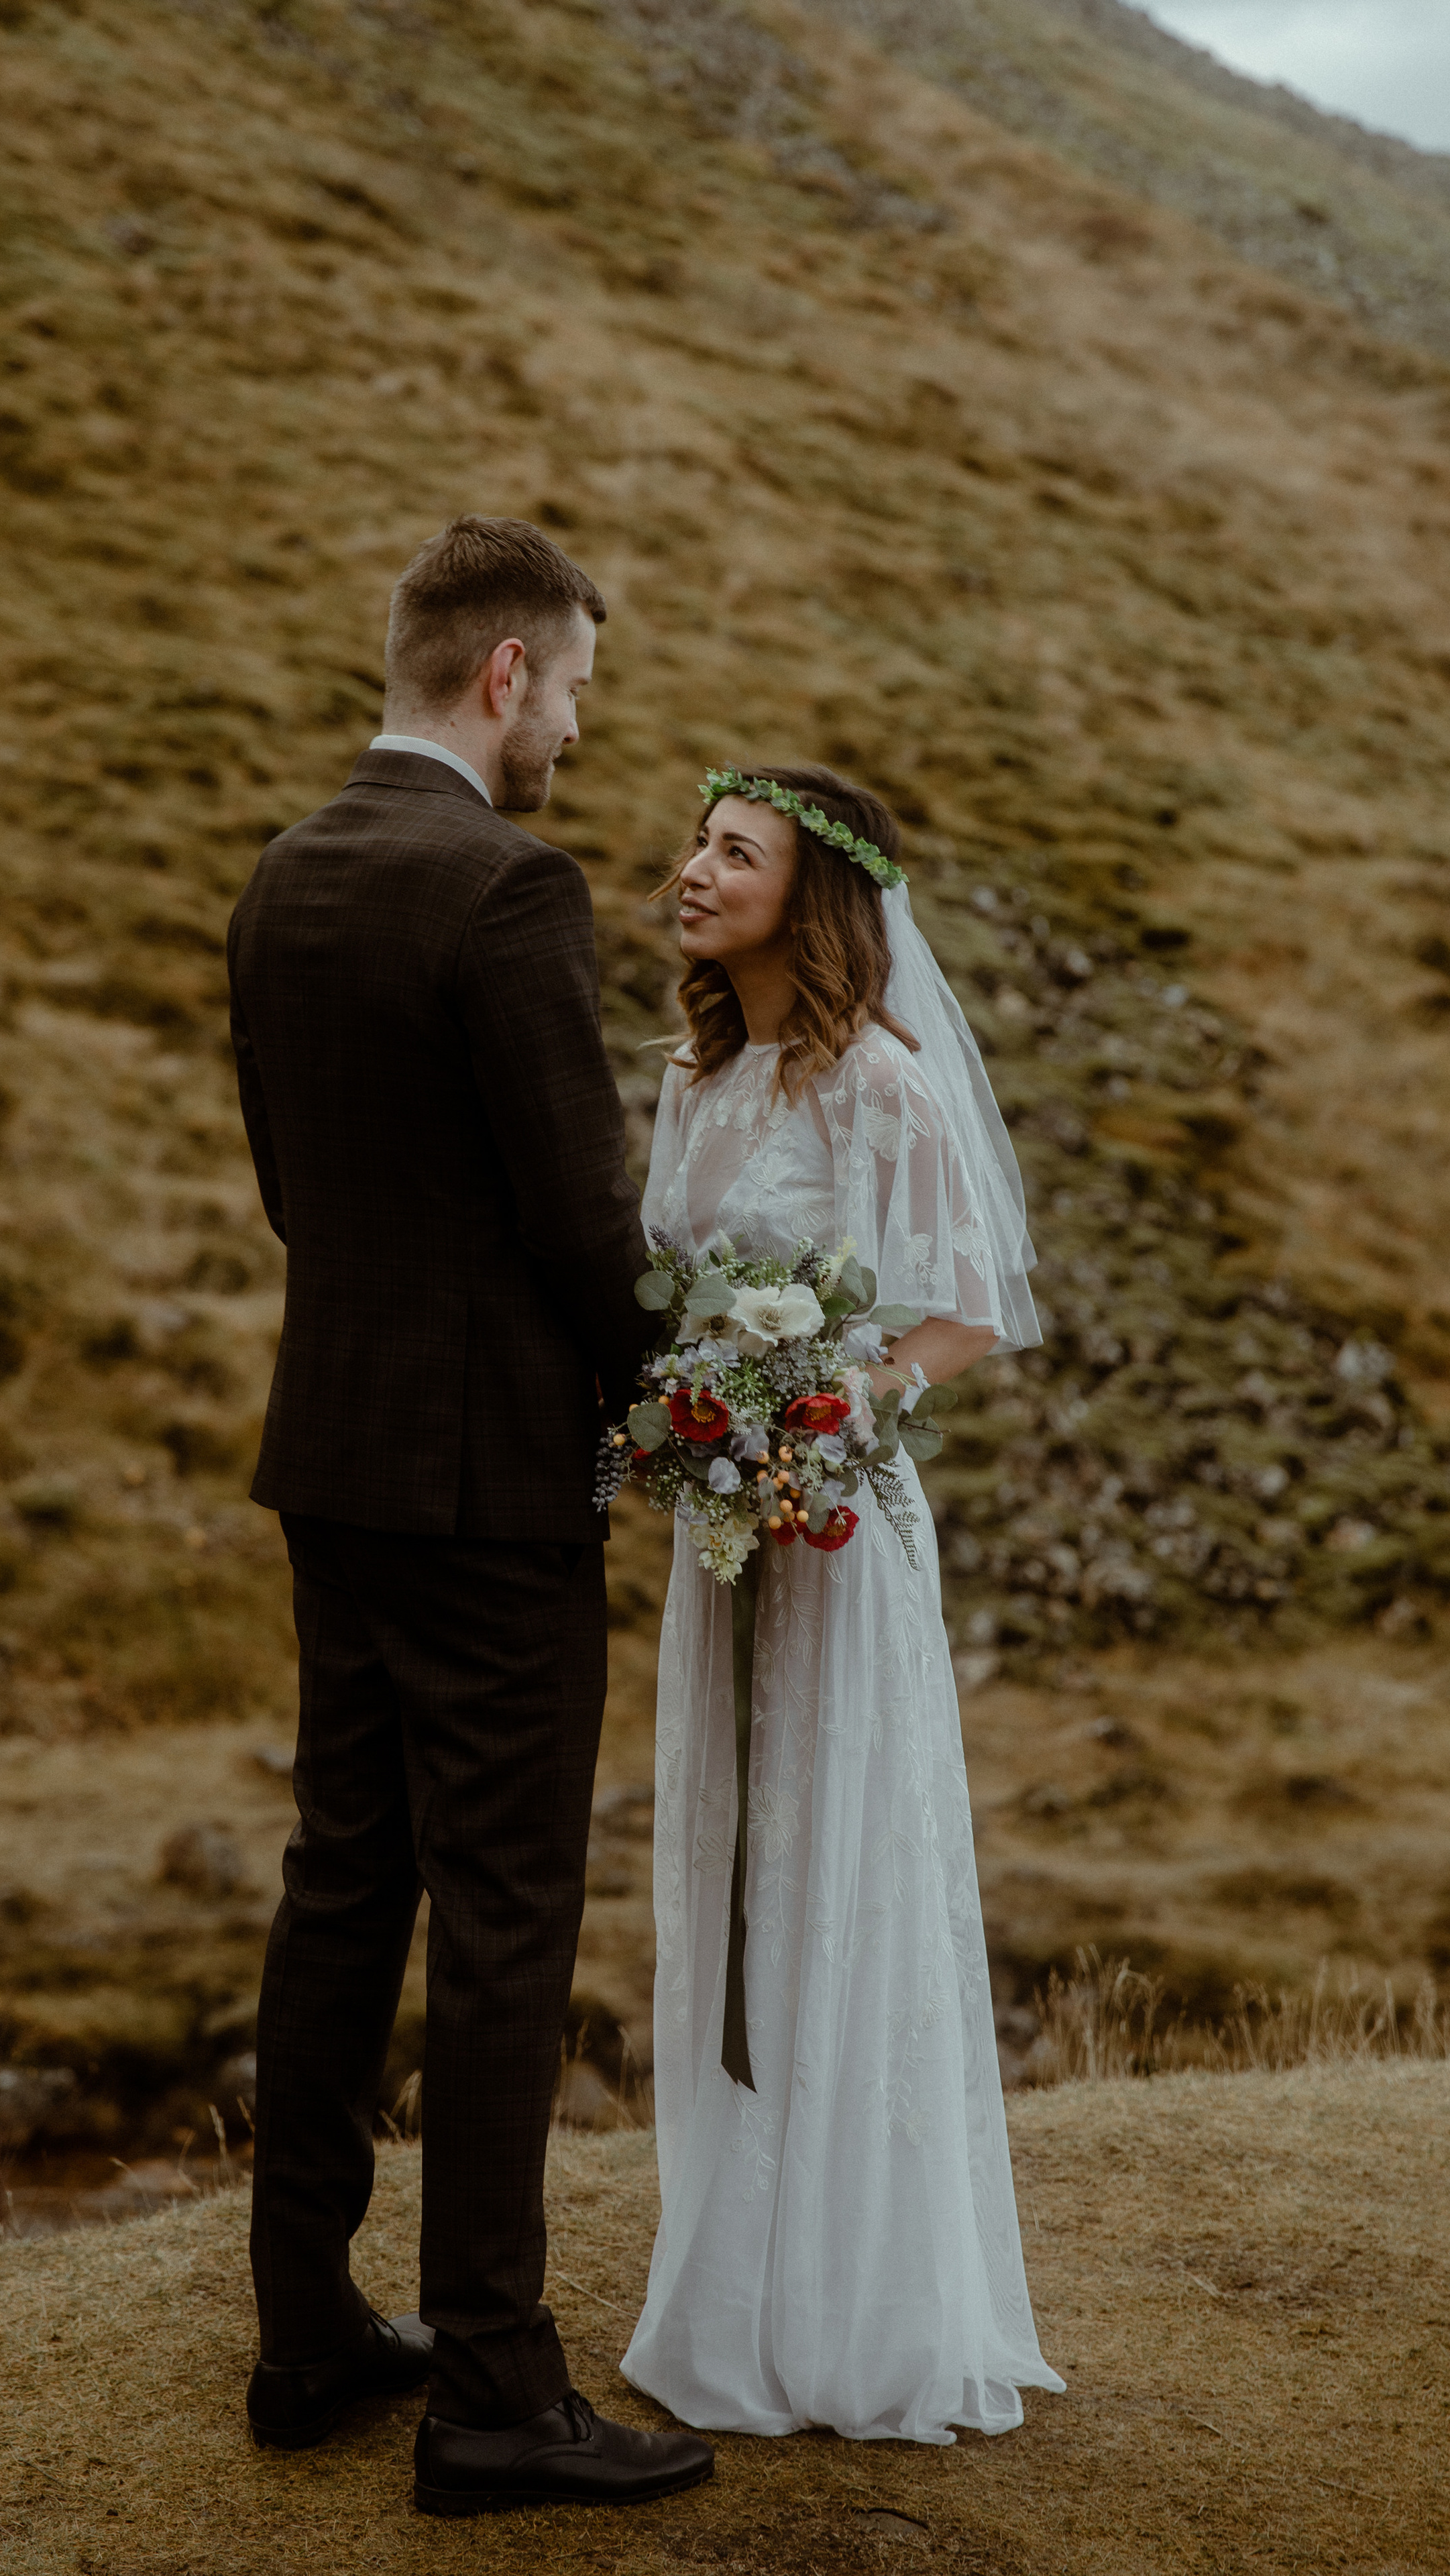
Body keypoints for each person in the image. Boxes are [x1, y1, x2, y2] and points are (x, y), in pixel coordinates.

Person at [226, 515, 714, 2516]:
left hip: (333, 1454)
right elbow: (584, 1222)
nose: (579, 729)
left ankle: (308, 2330)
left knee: (347, 1873)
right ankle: (497, 2395)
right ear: (501, 674)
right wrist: (677, 1404)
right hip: (491, 1487)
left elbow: (294, 1189)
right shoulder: (508, 888)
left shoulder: (288, 872)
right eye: (575, 687)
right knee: (505, 1920)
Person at [620, 764, 1064, 2443]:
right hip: (722, 1539)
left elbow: (961, 1309)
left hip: (828, 1532)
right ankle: (726, 2290)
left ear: (808, 901)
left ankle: (858, 2305)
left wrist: (825, 1408)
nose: (692, 869)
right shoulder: (696, 1074)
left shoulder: (878, 1082)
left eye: (734, 855)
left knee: (832, 1872)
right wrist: (693, 1424)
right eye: (695, 843)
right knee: (731, 1867)